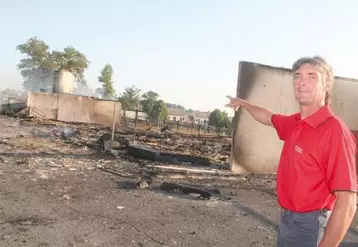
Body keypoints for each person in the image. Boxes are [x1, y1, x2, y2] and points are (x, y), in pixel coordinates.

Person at [226, 56, 357, 247]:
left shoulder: (334, 131)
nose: (302, 82)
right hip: (288, 219)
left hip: (310, 225)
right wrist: (243, 103)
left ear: (327, 85)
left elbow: (347, 202)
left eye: (312, 76)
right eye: (297, 76)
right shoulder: (295, 123)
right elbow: (267, 117)